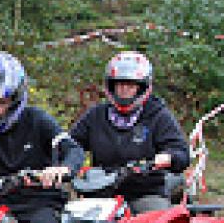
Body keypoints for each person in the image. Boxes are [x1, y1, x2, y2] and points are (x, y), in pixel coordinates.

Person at [0, 51, 85, 223]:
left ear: (16, 96)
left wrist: (63, 169)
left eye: (3, 102)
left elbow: (72, 149)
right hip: (2, 203)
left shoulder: (37, 120)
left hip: (42, 202)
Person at [69, 50, 190, 213]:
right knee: (74, 220)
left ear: (142, 87)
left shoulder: (158, 115)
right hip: (100, 191)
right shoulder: (96, 115)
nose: (124, 89)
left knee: (156, 221)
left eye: (130, 85)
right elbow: (70, 145)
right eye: (120, 84)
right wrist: (63, 164)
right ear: (111, 86)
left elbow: (181, 153)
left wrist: (167, 158)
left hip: (145, 192)